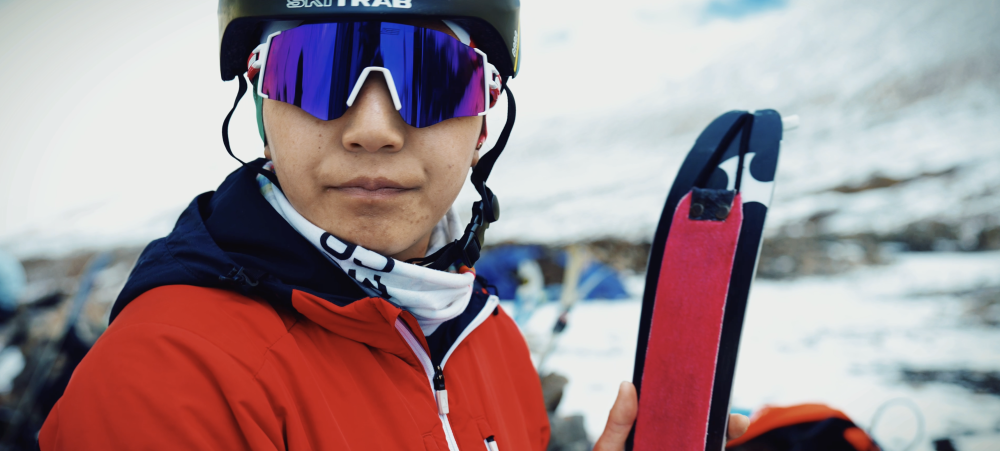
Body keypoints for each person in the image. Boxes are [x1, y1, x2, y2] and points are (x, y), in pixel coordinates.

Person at [39, 1, 749, 449]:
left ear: (484, 120)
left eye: (435, 77)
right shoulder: (169, 374)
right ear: (259, 107)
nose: (373, 129)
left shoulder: (489, 339)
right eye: (315, 71)